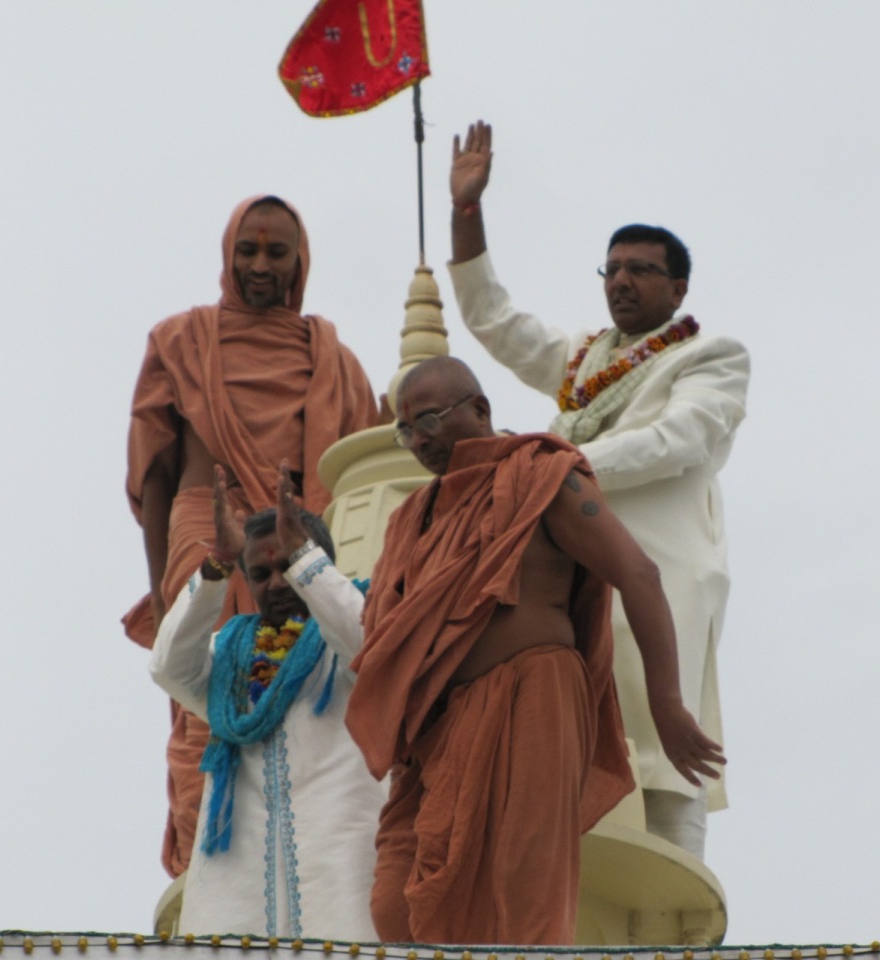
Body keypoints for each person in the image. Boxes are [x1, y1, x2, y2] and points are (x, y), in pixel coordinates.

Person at [344, 357, 725, 945]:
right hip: (436, 737)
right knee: (395, 905)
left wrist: (667, 705)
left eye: (429, 420)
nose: (418, 440)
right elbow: (384, 640)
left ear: (479, 410)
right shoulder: (409, 522)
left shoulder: (541, 474)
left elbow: (639, 574)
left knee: (526, 892)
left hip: (534, 695)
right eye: (407, 430)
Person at [445, 121, 749, 859]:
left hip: (663, 568)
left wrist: (553, 464)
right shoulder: (584, 360)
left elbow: (680, 441)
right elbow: (495, 322)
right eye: (612, 269)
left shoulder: (711, 355)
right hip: (575, 568)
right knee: (568, 744)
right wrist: (466, 213)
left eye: (642, 270)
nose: (622, 280)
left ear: (678, 288)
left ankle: (678, 906)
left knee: (662, 747)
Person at [125, 194, 384, 878]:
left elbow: (357, 480)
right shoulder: (181, 339)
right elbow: (153, 472)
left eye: (276, 252)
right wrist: (160, 593)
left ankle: (293, 860)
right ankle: (202, 861)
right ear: (226, 255)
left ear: (301, 261)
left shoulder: (334, 358)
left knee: (302, 685)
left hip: (291, 549)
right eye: (248, 250)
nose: (261, 265)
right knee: (205, 695)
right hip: (204, 534)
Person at [150, 463, 386, 941]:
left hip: (342, 860)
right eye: (260, 572)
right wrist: (217, 564)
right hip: (238, 876)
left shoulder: (352, 633)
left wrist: (308, 566)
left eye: (289, 565)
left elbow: (369, 647)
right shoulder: (230, 657)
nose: (277, 583)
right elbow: (168, 666)